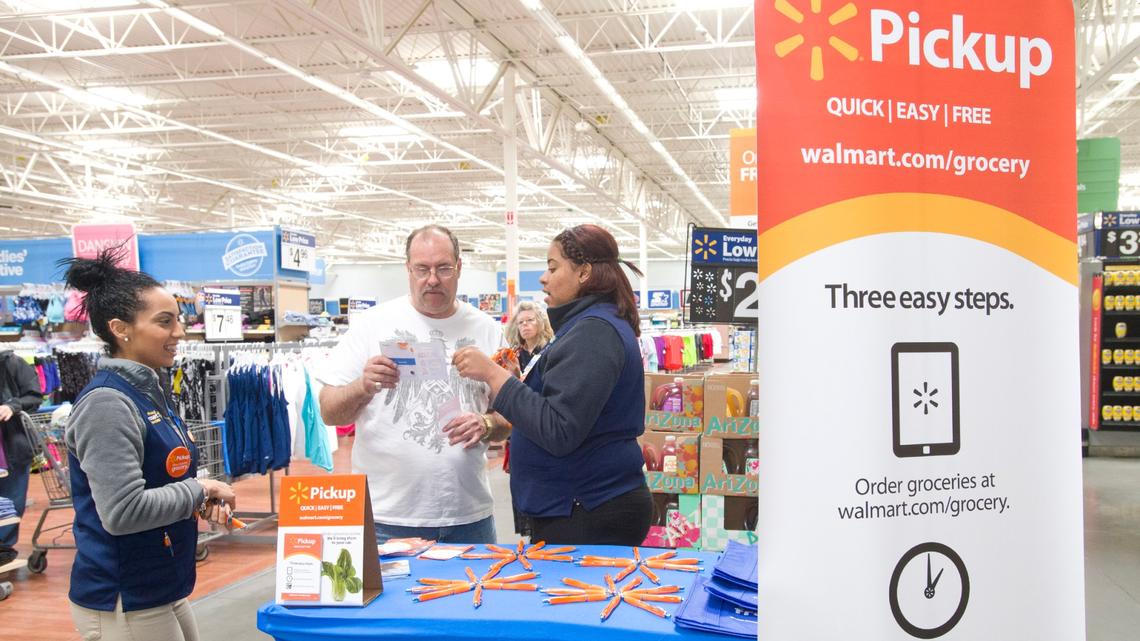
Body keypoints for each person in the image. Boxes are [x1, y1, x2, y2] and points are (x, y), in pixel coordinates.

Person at [61, 249, 236, 641]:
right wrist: (199, 489)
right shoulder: (108, 403)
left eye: (179, 320)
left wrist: (195, 500)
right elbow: (122, 511)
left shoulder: (149, 390)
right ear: (121, 328)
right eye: (165, 322)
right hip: (123, 595)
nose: (180, 332)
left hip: (160, 582)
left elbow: (160, 478)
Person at [453, 224, 652, 545]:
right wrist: (519, 384)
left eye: (552, 267)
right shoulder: (588, 327)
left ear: (584, 273)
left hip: (587, 509)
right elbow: (563, 409)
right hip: (579, 505)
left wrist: (493, 375)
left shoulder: (594, 332)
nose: (544, 278)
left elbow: (560, 429)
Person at [318, 225, 507, 544]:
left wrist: (486, 423)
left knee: (474, 595)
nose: (432, 279)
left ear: (459, 267)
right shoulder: (371, 326)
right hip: (386, 519)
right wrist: (363, 386)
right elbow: (329, 411)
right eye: (422, 268)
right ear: (408, 269)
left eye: (443, 268)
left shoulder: (487, 330)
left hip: (469, 517)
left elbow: (511, 418)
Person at [0, 348, 43, 564]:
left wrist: (11, 406)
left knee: (11, 498)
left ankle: (4, 547)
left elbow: (34, 396)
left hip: (11, 443)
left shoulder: (13, 363)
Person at [504, 301, 553, 373]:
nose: (524, 324)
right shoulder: (515, 353)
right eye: (520, 322)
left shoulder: (549, 349)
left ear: (540, 322)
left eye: (530, 320)